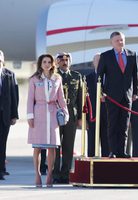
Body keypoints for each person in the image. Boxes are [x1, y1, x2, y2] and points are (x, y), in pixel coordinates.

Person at [27, 54, 69, 187]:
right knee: (37, 146)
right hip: (38, 112)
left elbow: (61, 98)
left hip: (52, 113)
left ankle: (50, 174)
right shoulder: (34, 79)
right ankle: (37, 174)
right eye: (44, 62)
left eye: (49, 62)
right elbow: (29, 99)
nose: (46, 64)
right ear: (40, 64)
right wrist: (30, 116)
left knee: (52, 147)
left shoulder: (57, 78)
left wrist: (65, 112)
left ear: (52, 64)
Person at [97, 31, 138, 158]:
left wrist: (136, 92)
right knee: (113, 124)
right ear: (111, 42)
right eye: (117, 40)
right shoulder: (105, 56)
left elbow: (135, 75)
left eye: (122, 40)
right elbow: (99, 76)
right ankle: (113, 151)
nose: (120, 42)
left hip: (127, 96)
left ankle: (122, 151)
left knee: (124, 125)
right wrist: (101, 92)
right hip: (111, 97)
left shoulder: (132, 55)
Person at [53, 52, 82, 184]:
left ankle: (66, 174)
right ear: (57, 62)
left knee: (69, 145)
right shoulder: (53, 76)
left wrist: (81, 117)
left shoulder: (77, 76)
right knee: (55, 145)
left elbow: (81, 98)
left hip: (71, 113)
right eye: (61, 59)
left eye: (67, 59)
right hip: (55, 112)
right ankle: (55, 174)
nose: (65, 62)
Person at [0, 50, 19, 180]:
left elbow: (14, 96)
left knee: (2, 142)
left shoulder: (9, 75)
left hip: (5, 115)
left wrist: (14, 115)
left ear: (3, 60)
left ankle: (1, 169)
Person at [86, 53, 109, 157]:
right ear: (93, 62)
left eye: (101, 60)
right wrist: (85, 119)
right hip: (92, 117)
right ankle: (91, 166)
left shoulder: (110, 78)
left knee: (107, 144)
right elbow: (84, 100)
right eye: (97, 60)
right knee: (92, 144)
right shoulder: (86, 79)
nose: (99, 63)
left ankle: (106, 167)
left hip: (108, 117)